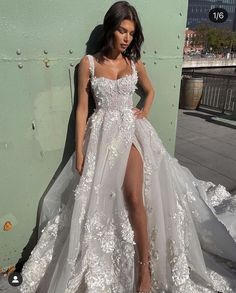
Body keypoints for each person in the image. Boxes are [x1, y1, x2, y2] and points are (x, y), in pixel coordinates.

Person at [17, 1, 236, 293]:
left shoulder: (134, 64)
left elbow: (150, 90)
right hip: (102, 136)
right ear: (111, 28)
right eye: (122, 30)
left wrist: (144, 109)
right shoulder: (89, 64)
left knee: (134, 196)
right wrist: (80, 153)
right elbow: (82, 109)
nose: (126, 38)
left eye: (131, 33)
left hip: (132, 133)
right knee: (100, 201)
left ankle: (144, 271)